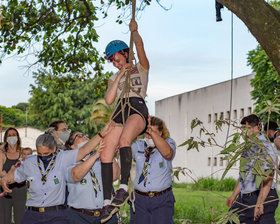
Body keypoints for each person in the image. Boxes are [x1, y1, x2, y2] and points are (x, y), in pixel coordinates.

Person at [0, 122, 114, 224]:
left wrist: (101, 134)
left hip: (56, 215)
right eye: (40, 154)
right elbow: (15, 175)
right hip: (32, 215)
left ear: (54, 149)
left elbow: (84, 150)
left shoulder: (63, 158)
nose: (42, 157)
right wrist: (5, 180)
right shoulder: (30, 162)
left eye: (46, 153)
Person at [100, 18, 150, 222]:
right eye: (112, 60)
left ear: (125, 53)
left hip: (136, 106)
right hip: (120, 109)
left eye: (117, 58)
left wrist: (135, 31)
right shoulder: (115, 77)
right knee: (105, 154)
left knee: (124, 141)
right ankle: (106, 201)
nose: (115, 62)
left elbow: (139, 45)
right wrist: (120, 74)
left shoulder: (142, 67)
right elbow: (109, 99)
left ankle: (122, 187)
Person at [226, 114, 279, 223]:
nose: (243, 132)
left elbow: (268, 177)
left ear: (256, 128)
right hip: (244, 198)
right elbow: (244, 175)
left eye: (246, 128)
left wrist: (259, 204)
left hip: (264, 197)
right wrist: (233, 195)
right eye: (242, 129)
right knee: (229, 220)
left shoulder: (266, 147)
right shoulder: (248, 147)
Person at [129, 116, 176, 224]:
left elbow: (168, 154)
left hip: (162, 200)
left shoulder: (169, 142)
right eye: (146, 133)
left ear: (160, 132)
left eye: (152, 132)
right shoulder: (138, 144)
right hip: (139, 199)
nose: (148, 136)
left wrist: (150, 131)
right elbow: (124, 154)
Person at [65, 131, 120, 224]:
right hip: (80, 217)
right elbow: (76, 176)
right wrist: (95, 156)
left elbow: (115, 176)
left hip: (107, 215)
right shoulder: (67, 161)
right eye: (80, 136)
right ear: (72, 146)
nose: (85, 137)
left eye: (86, 135)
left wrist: (109, 153)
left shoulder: (101, 158)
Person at [0, 127, 26, 224]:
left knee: (21, 218)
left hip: (20, 190)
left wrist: (6, 175)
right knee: (3, 219)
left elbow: (26, 170)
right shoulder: (2, 153)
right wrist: (12, 174)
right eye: (9, 135)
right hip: (4, 190)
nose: (12, 137)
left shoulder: (23, 152)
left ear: (18, 137)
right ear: (6, 138)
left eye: (14, 135)